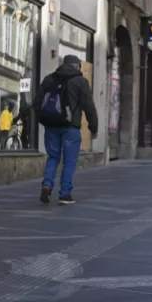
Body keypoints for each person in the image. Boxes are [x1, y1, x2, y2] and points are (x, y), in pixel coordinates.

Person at [34, 54, 98, 205]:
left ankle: (47, 184)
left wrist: (44, 120)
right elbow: (89, 107)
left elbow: (37, 103)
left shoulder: (49, 79)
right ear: (78, 66)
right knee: (69, 161)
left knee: (53, 157)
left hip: (51, 126)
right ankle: (64, 194)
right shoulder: (81, 81)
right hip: (71, 128)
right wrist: (93, 128)